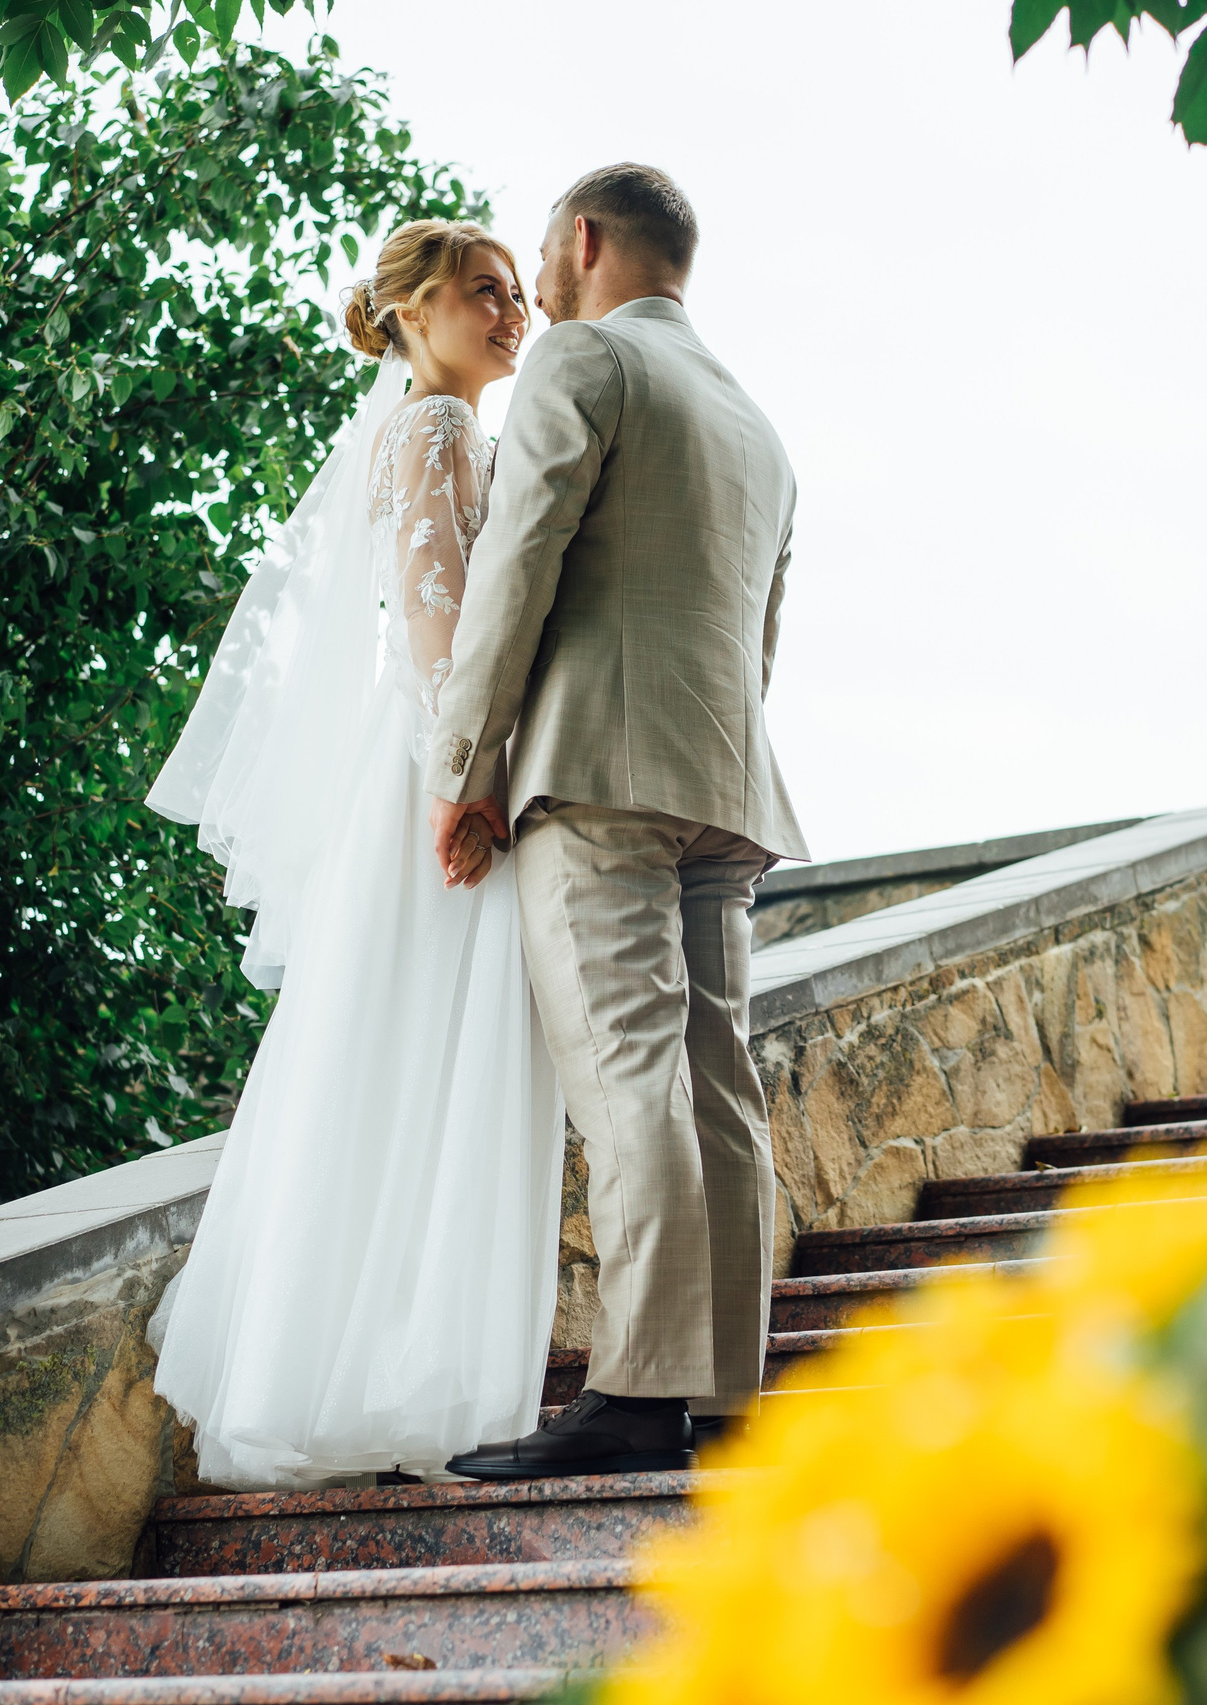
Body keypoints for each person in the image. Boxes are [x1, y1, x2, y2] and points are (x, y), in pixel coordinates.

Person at [140, 221, 566, 1487]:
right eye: (483, 294)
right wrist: (470, 780)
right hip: (444, 776)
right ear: (414, 310)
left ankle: (363, 1376)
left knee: (396, 1051)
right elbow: (435, 618)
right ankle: (417, 1383)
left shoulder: (437, 428)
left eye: (512, 294)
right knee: (440, 1052)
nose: (512, 314)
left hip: (431, 763)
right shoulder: (434, 429)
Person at [427, 164, 806, 1480]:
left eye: (540, 250)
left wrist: (466, 758)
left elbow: (517, 561)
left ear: (582, 240)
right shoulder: (757, 424)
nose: (533, 280)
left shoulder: (583, 362)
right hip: (726, 784)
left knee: (630, 1073)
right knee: (720, 1085)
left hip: (597, 771)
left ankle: (641, 1391)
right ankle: (731, 1393)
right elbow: (759, 642)